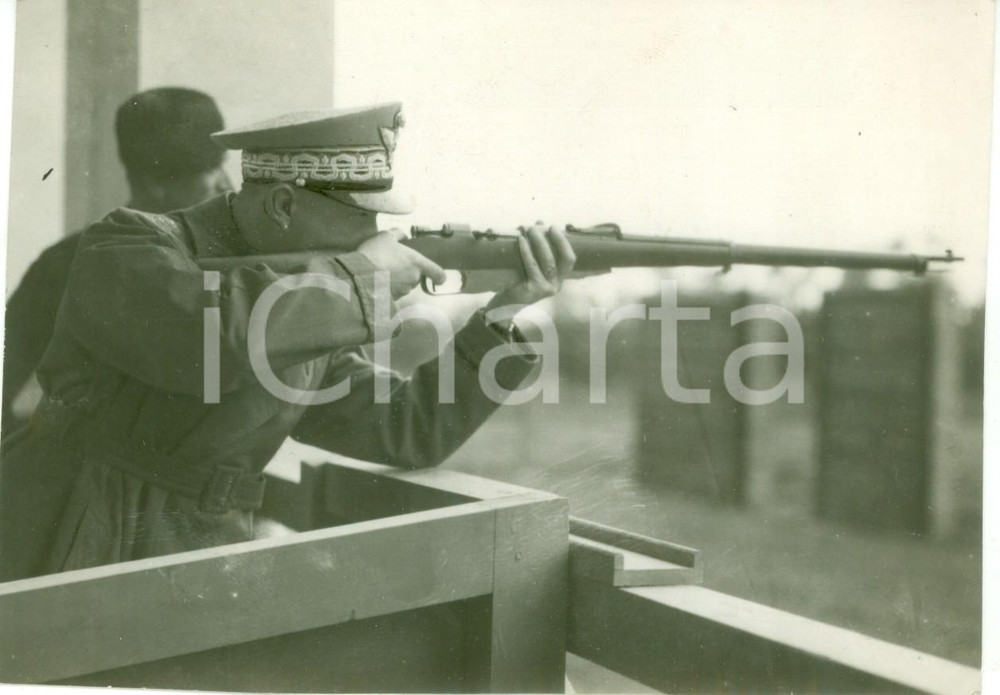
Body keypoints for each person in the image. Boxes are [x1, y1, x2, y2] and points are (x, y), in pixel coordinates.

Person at [0, 102, 576, 581]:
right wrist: (358, 281)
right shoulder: (126, 244)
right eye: (362, 223)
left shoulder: (309, 309)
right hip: (62, 531)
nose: (375, 241)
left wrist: (503, 312)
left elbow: (405, 429)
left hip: (197, 554)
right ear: (280, 205)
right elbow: (210, 343)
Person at [1, 87, 233, 438]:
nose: (225, 184)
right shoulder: (63, 266)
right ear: (156, 183)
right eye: (210, 170)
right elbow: (15, 401)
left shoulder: (222, 255)